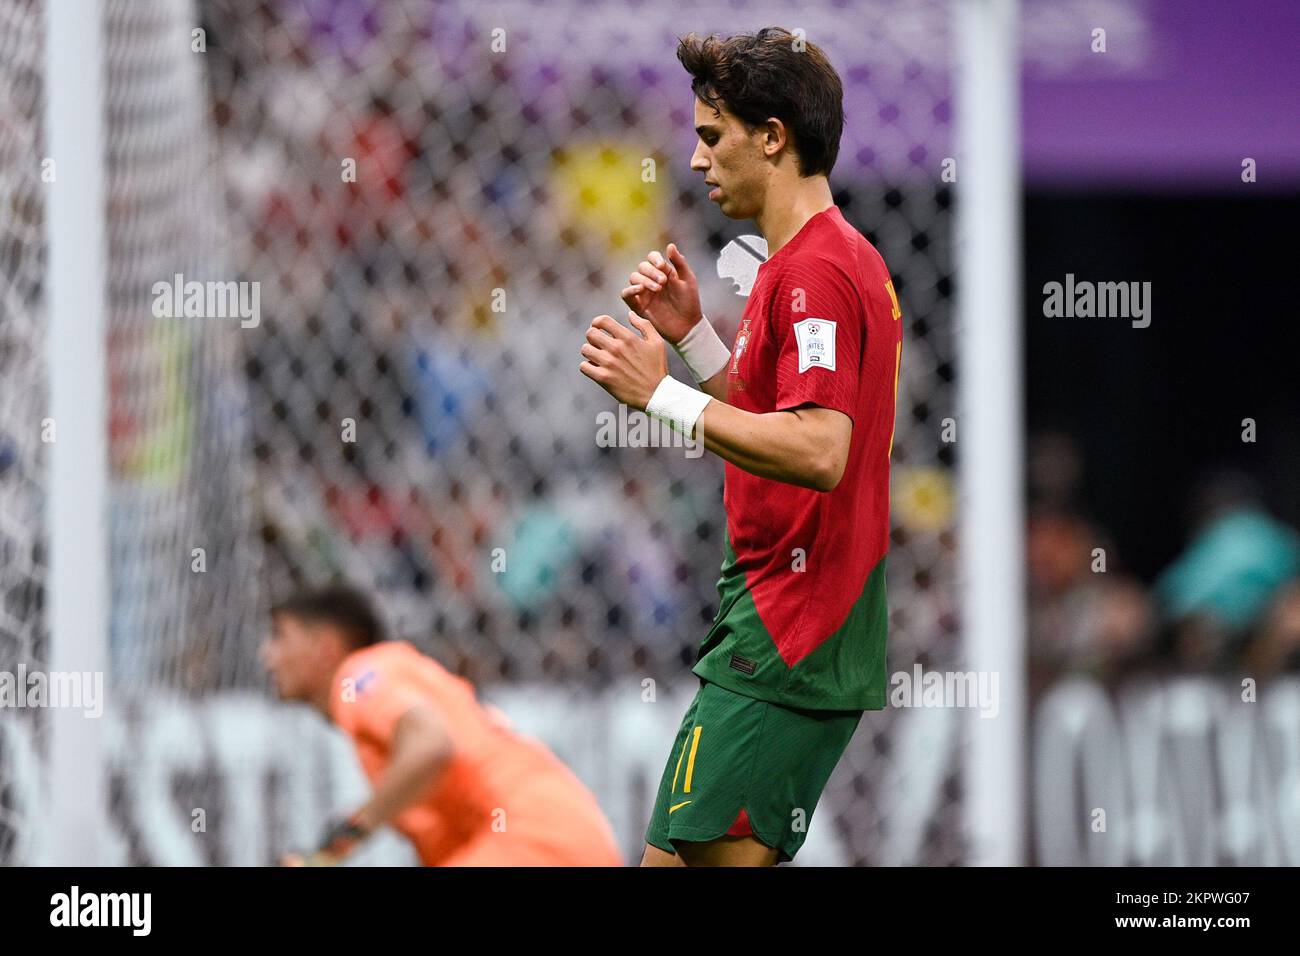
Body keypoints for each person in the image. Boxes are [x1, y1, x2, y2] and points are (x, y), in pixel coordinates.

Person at [579, 28, 903, 866]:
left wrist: (660, 395)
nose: (694, 160)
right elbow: (779, 423)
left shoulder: (815, 274)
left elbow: (820, 450)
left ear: (773, 137)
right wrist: (694, 345)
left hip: (786, 638)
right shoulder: (810, 264)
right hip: (778, 632)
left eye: (711, 135)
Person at [260, 584, 622, 866]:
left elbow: (431, 745)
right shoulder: (399, 673)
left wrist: (340, 845)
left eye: (280, 636)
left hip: (531, 838)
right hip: (566, 834)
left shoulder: (359, 676)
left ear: (325, 646)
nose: (268, 656)